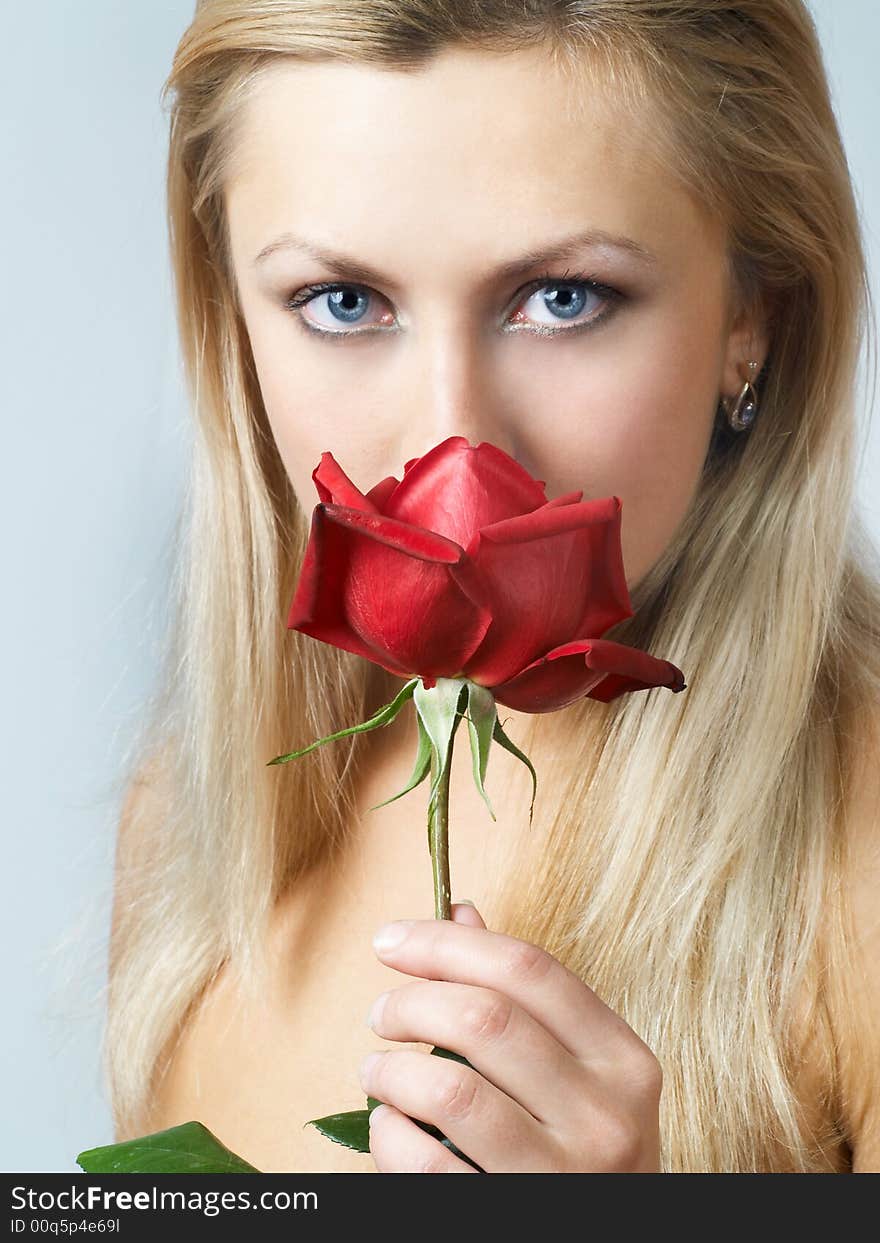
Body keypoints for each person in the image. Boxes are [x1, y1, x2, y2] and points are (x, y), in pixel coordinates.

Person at [105, 0, 880, 1173]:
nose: (453, 436)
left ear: (751, 320)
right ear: (235, 329)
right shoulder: (188, 830)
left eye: (562, 297)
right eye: (344, 303)